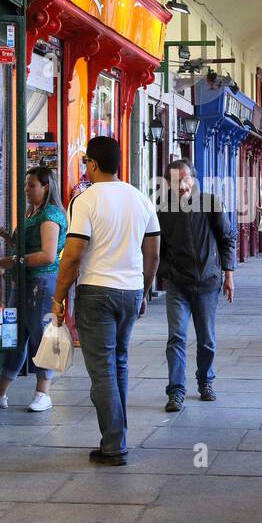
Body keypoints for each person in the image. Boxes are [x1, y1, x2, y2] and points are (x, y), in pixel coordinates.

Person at [51, 136, 160, 465]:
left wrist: (58, 298)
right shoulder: (140, 198)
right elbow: (152, 253)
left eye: (86, 162)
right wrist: (144, 291)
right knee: (119, 365)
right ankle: (118, 435)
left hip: (96, 291)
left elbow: (72, 255)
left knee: (102, 372)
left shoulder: (86, 200)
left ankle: (113, 445)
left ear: (93, 165)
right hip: (129, 291)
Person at [0, 167, 68, 413]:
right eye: (26, 184)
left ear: (46, 186)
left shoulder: (50, 214)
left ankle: (43, 393)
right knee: (15, 336)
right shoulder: (33, 212)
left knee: (40, 336)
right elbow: (29, 247)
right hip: (24, 283)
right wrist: (9, 240)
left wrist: (13, 261)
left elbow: (47, 256)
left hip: (41, 284)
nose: (26, 189)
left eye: (31, 185)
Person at [156, 160, 236, 412]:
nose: (182, 185)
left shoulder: (210, 203)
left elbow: (227, 237)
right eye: (175, 181)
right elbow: (157, 247)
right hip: (177, 284)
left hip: (207, 283)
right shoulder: (162, 210)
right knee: (176, 337)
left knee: (206, 339)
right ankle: (176, 391)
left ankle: (205, 382)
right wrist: (164, 272)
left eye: (185, 179)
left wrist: (228, 274)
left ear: (194, 179)